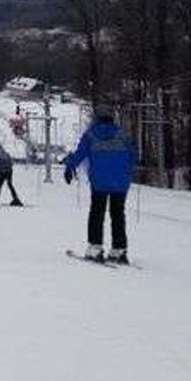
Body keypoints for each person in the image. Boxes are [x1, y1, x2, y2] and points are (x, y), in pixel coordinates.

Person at [63, 104, 138, 264]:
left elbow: (80, 154)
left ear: (97, 119)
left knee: (97, 212)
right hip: (121, 182)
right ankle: (119, 250)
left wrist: (69, 167)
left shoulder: (90, 135)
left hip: (100, 181)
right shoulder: (123, 135)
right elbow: (133, 156)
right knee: (118, 214)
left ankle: (95, 248)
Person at [0, 142, 23, 207]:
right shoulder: (6, 153)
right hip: (9, 171)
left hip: (2, 172)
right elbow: (12, 162)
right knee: (10, 185)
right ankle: (16, 199)